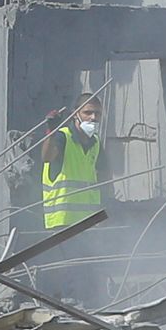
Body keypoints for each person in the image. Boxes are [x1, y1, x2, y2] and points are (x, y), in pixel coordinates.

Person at [38, 93, 107, 240]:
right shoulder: (62, 137)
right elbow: (47, 157)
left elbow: (104, 178)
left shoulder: (96, 143)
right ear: (76, 114)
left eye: (97, 113)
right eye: (87, 112)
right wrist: (51, 132)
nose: (93, 117)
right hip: (61, 225)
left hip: (88, 224)